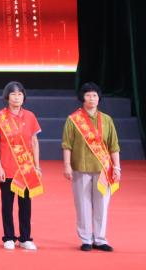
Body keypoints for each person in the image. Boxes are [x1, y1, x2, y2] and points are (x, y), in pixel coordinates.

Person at [62, 82, 121, 252]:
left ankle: (100, 239)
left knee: (102, 204)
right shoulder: (73, 120)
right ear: (82, 97)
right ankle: (86, 239)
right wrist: (67, 165)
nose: (92, 98)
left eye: (95, 95)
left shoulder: (107, 120)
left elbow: (114, 146)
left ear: (99, 98)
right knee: (83, 204)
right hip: (80, 167)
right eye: (88, 95)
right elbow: (67, 145)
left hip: (103, 168)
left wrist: (117, 167)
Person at [0, 81, 42, 250]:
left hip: (26, 168)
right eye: (13, 94)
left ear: (23, 97)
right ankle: (9, 237)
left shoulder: (30, 116)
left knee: (25, 205)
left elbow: (34, 142)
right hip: (7, 168)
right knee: (7, 205)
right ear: (7, 97)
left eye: (20, 94)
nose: (17, 97)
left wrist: (37, 166)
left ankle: (25, 238)